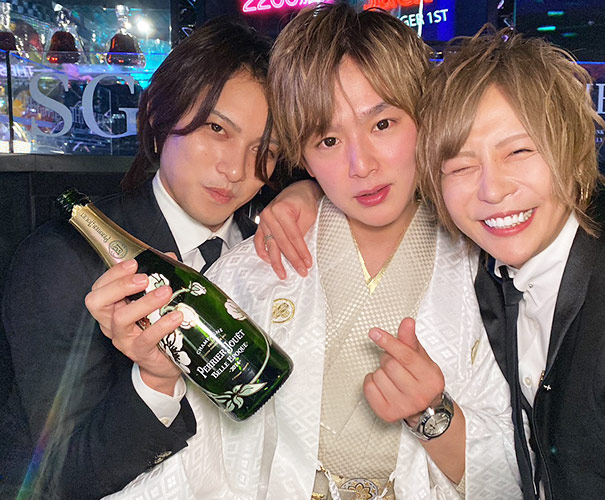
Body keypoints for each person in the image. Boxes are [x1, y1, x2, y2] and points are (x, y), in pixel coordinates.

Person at [86, 5, 520, 499]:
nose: (361, 164)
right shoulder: (250, 271)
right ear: (303, 157)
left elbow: (529, 462)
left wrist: (433, 415)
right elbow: (202, 457)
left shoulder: (489, 269)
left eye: (383, 124)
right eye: (328, 140)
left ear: (426, 118)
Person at [0, 17, 277, 499]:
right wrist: (154, 380)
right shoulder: (63, 262)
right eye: (216, 129)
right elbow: (60, 476)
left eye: (265, 150)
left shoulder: (271, 249)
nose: (236, 169)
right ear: (159, 119)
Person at [418, 27, 605, 499]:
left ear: (572, 152)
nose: (492, 190)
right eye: (461, 166)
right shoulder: (498, 268)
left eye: (519, 151)